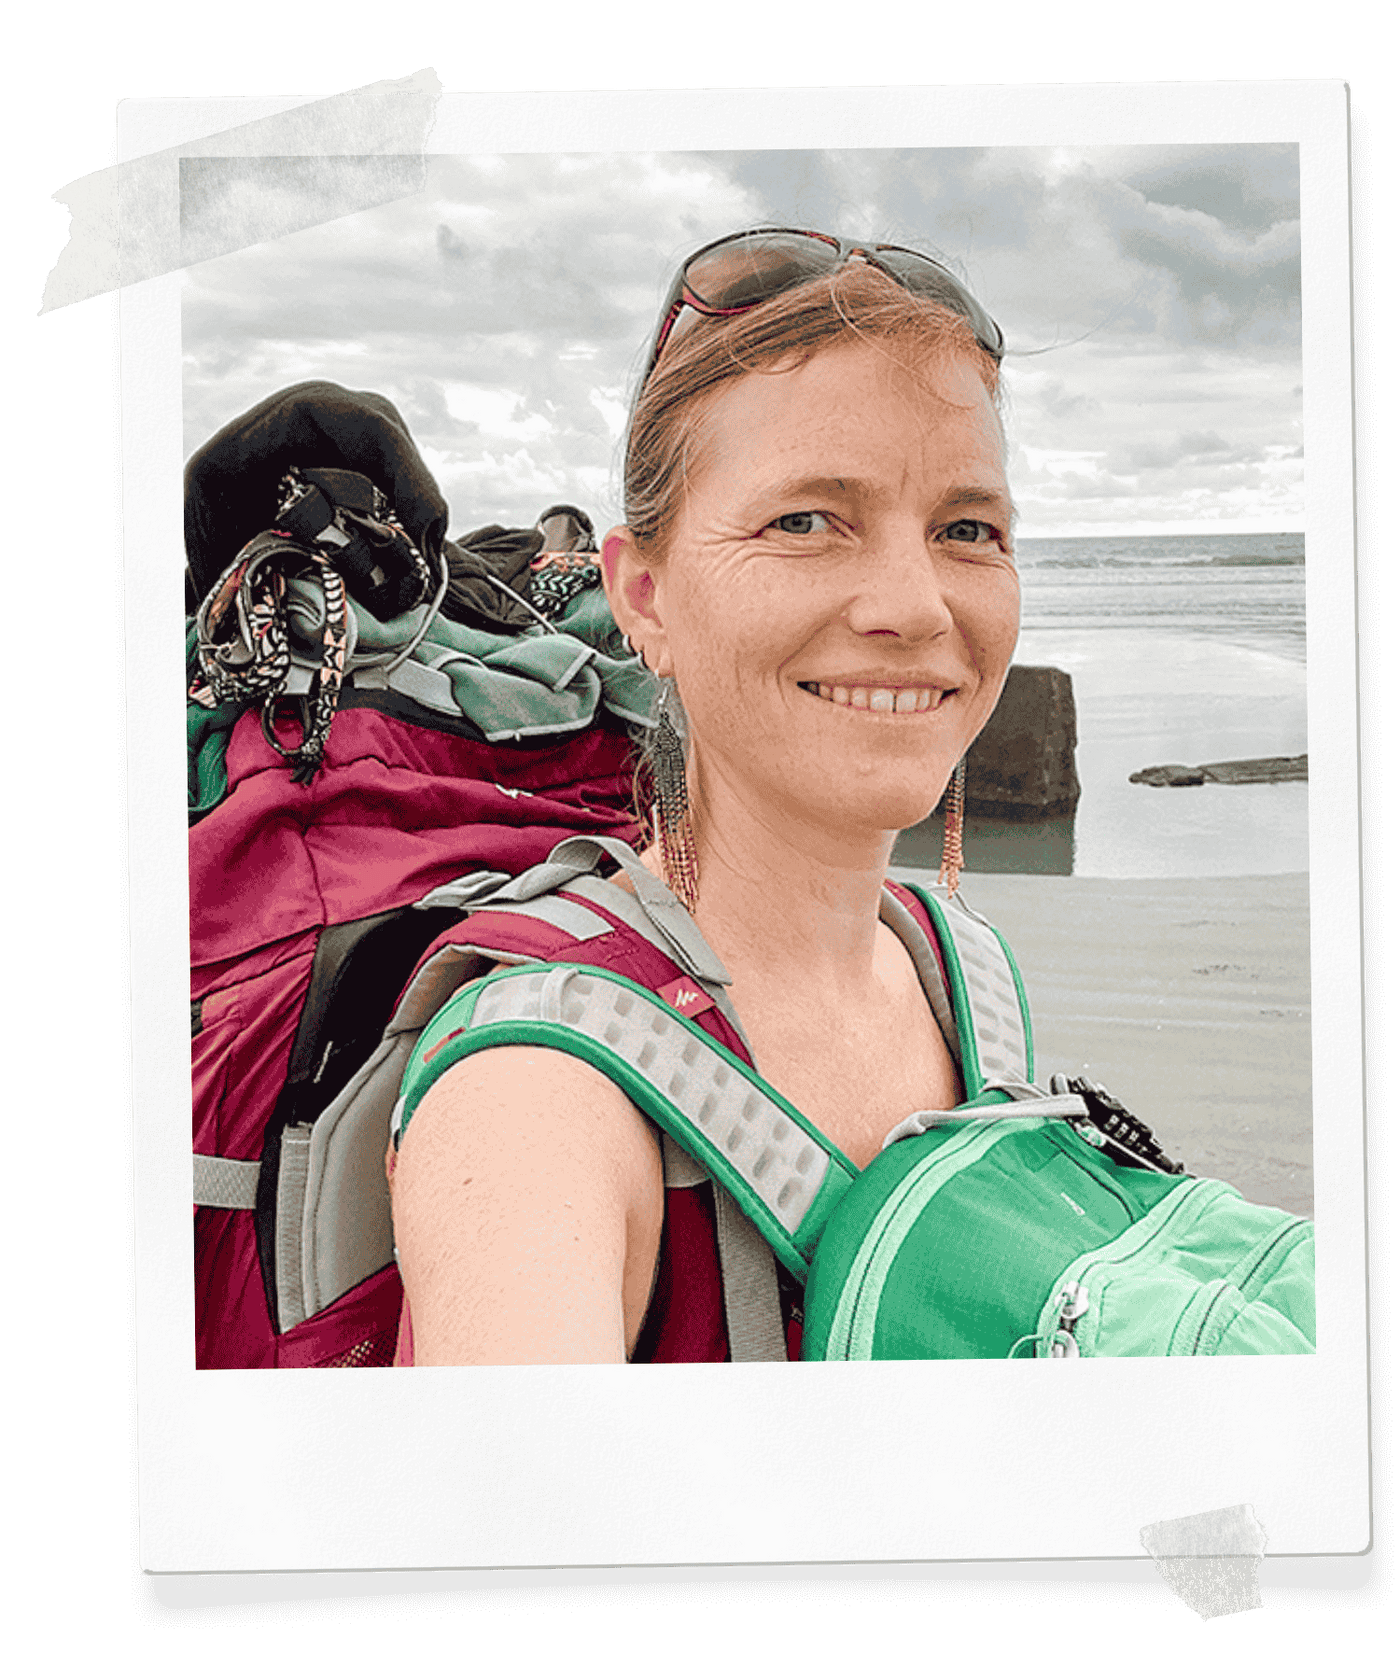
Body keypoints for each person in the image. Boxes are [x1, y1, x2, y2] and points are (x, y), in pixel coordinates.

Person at [389, 228, 1018, 1364]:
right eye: (805, 520)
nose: (915, 605)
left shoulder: (964, 971)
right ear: (645, 598)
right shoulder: (536, 1098)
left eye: (965, 528)